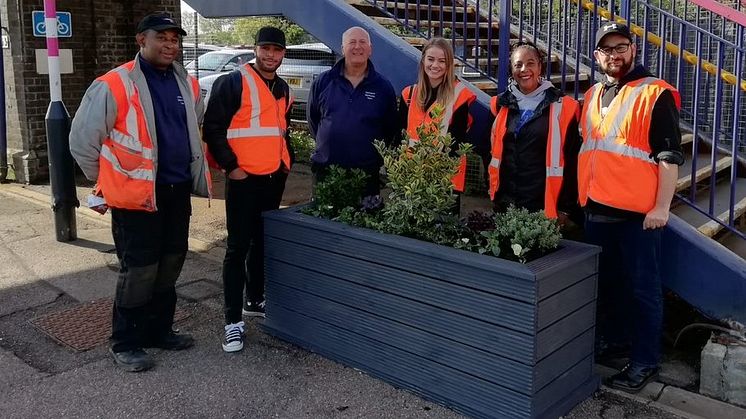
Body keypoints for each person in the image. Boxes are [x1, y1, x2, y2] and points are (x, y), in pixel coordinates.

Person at [69, 12, 210, 372]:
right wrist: (106, 182)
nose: (169, 45)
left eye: (175, 39)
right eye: (161, 37)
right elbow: (82, 141)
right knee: (140, 269)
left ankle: (159, 331)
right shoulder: (114, 84)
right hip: (135, 198)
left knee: (171, 262)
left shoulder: (188, 84)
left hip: (176, 191)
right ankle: (125, 341)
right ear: (141, 41)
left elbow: (194, 130)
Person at [580, 23, 683, 393]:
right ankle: (617, 342)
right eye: (606, 49)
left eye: (620, 47)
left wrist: (662, 207)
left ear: (633, 49)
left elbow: (669, 156)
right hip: (598, 210)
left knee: (643, 290)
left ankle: (644, 362)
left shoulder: (655, 93)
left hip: (638, 217)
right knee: (610, 286)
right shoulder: (593, 94)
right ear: (597, 56)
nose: (614, 55)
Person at [202, 26, 293, 353]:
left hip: (271, 179)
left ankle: (254, 300)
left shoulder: (283, 88)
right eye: (266, 48)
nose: (271, 55)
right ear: (255, 49)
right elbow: (212, 128)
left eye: (277, 50)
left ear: (283, 54)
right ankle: (232, 322)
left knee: (261, 242)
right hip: (243, 181)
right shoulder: (233, 82)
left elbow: (280, 131)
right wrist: (232, 169)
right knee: (237, 248)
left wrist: (286, 163)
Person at [486, 41, 581, 224]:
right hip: (506, 203)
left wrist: (566, 209)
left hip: (544, 206)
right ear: (511, 70)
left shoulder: (564, 106)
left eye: (530, 63)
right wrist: (494, 195)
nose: (524, 69)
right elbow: (490, 154)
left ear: (540, 67)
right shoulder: (499, 104)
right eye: (518, 64)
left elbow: (572, 161)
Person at [306, 26, 399, 198]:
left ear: (370, 49)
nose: (358, 47)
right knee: (323, 224)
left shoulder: (383, 87)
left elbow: (390, 128)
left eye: (363, 42)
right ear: (342, 49)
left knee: (363, 223)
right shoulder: (323, 82)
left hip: (366, 176)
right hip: (326, 172)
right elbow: (314, 121)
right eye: (352, 42)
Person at [399, 37, 477, 198]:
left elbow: (456, 143)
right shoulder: (409, 94)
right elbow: (399, 137)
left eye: (442, 61)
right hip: (412, 175)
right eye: (431, 59)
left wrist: (436, 174)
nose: (435, 65)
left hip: (445, 178)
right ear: (423, 61)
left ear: (449, 65)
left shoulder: (460, 95)